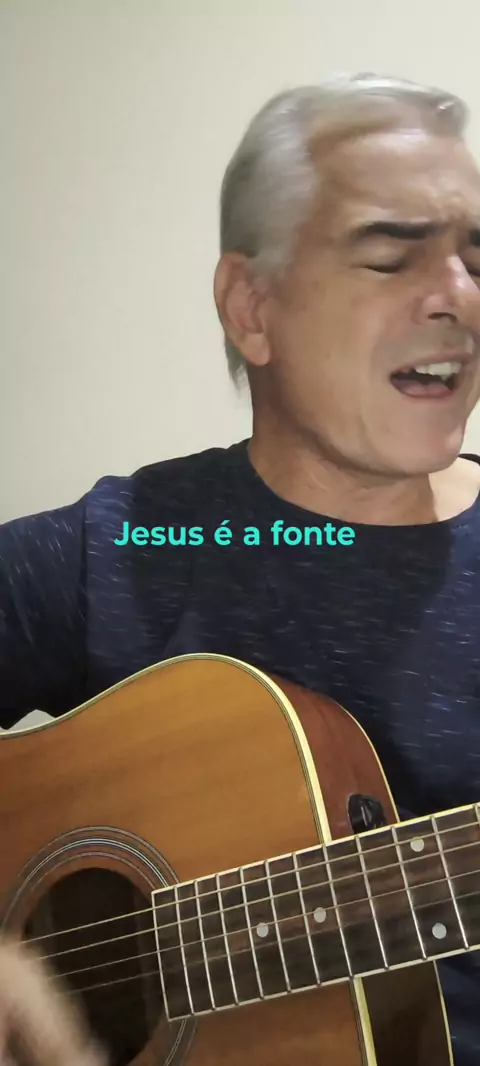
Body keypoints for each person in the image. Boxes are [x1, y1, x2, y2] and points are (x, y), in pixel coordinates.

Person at [2, 71, 480, 1064]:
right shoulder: (123, 547)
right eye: (390, 255)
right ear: (251, 307)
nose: (459, 298)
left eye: (477, 258)